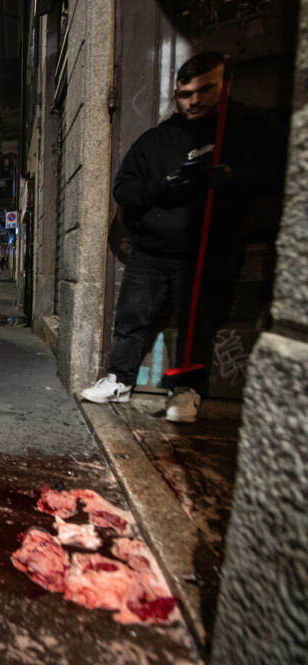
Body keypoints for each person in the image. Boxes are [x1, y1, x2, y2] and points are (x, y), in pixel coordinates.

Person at [81, 51, 277, 422]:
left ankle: (186, 391)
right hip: (152, 251)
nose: (195, 101)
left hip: (209, 249)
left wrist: (234, 178)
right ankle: (119, 379)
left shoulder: (248, 131)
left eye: (205, 90)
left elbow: (275, 177)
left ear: (225, 86)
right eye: (185, 94)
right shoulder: (156, 140)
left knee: (197, 322)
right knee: (132, 317)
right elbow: (124, 189)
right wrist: (162, 187)